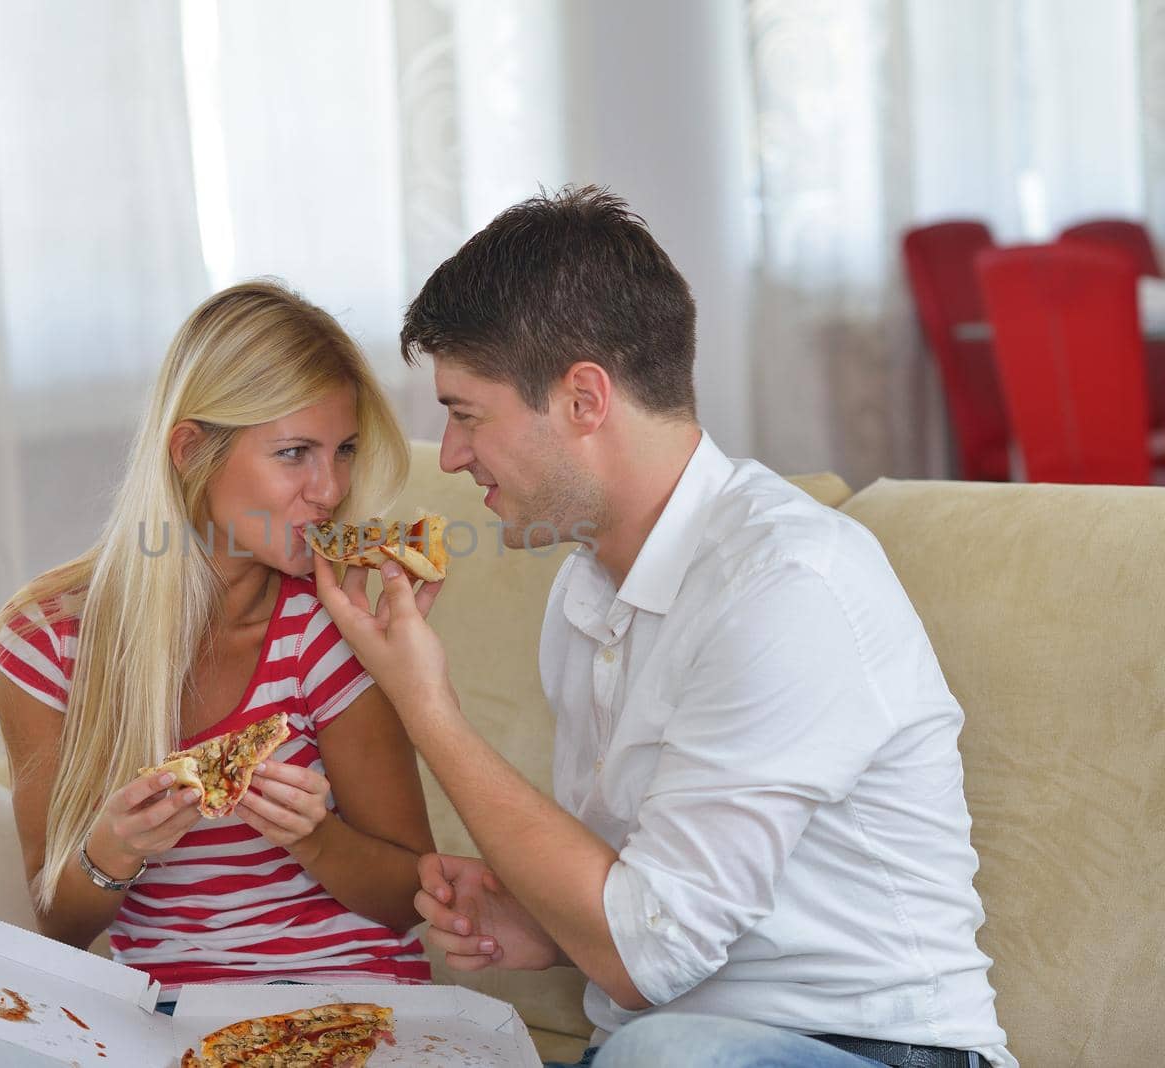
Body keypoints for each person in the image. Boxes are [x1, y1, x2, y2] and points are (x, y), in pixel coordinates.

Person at [314, 188, 1016, 1067]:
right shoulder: (586, 596)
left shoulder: (784, 584)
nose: (451, 459)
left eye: (466, 416)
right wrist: (550, 925)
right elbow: (655, 909)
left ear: (583, 399)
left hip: (870, 1049)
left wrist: (427, 707)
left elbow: (650, 957)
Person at [0, 281, 434, 1007]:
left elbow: (409, 896)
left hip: (355, 1000)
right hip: (165, 1018)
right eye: (295, 453)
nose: (330, 489)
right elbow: (60, 925)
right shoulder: (46, 641)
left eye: (344, 451)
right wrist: (116, 847)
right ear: (191, 452)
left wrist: (315, 839)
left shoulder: (330, 623)